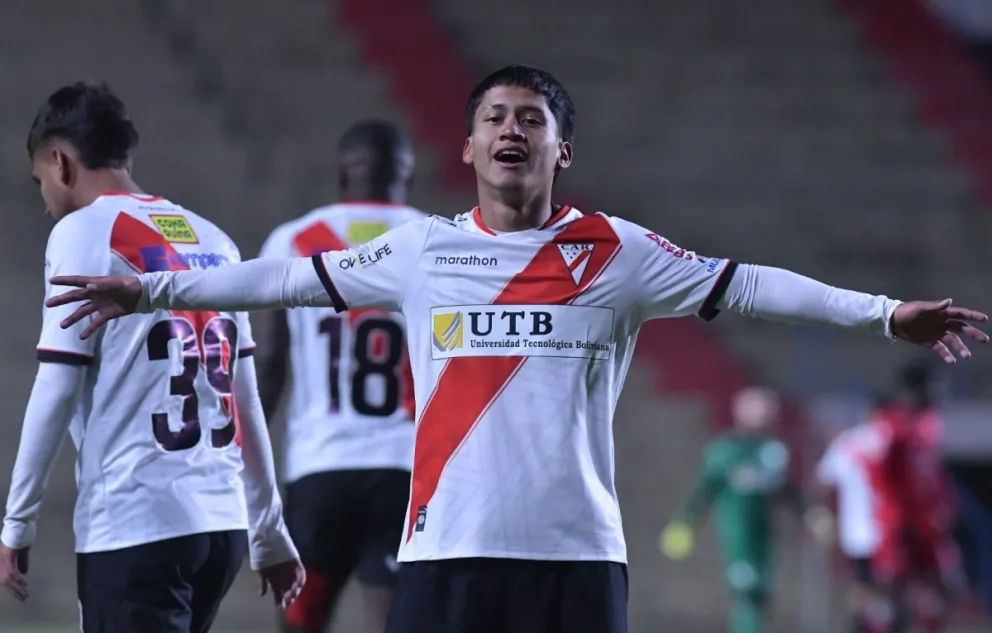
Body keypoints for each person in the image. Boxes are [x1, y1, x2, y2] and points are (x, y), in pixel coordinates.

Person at [42, 66, 989, 633]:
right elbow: (281, 280)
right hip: (444, 556)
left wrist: (881, 312)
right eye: (494, 116)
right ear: (466, 145)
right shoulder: (421, 249)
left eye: (531, 118)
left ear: (560, 150)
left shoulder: (616, 253)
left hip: (575, 562)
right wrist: (152, 286)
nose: (510, 129)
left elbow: (747, 282)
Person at [0, 82, 305, 632]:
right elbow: (245, 398)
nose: (44, 202)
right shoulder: (213, 238)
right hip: (220, 526)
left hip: (139, 519)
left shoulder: (82, 232)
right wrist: (267, 527)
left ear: (60, 162)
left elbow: (57, 383)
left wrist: (16, 521)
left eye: (40, 181)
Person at [255, 119, 422, 633]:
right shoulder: (437, 239)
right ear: (406, 173)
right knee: (393, 622)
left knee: (302, 622)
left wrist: (245, 466)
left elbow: (270, 365)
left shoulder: (294, 241)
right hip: (407, 470)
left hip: (319, 467)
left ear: (343, 171)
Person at [659, 387, 816, 633]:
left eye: (768, 409)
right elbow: (704, 490)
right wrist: (685, 523)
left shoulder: (774, 451)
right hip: (737, 535)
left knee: (761, 593)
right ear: (740, 412)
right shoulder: (725, 451)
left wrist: (809, 514)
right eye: (759, 409)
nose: (765, 414)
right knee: (746, 592)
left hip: (765, 535)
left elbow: (788, 490)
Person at [865, 363, 962, 632]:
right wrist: (899, 516)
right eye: (932, 388)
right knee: (893, 592)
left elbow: (934, 475)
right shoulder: (890, 427)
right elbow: (881, 477)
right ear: (914, 390)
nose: (938, 394)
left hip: (928, 524)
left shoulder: (928, 424)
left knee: (938, 589)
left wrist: (944, 506)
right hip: (899, 523)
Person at [814, 395, 892, 633]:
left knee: (861, 586)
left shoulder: (848, 441)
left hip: (857, 530)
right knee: (886, 587)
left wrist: (823, 515)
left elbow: (823, 479)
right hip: (886, 529)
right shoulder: (891, 441)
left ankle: (862, 626)